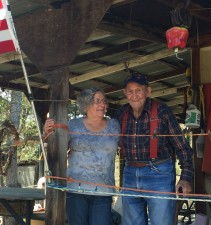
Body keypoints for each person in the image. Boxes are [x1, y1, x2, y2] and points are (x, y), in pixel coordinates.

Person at [114, 73, 193, 225]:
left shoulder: (162, 112)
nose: (134, 95)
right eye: (130, 91)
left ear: (148, 91)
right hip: (130, 174)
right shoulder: (120, 114)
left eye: (139, 90)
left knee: (162, 222)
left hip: (159, 174)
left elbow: (183, 148)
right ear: (125, 93)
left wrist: (185, 178)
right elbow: (105, 137)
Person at [43, 88, 120, 225]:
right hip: (76, 191)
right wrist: (47, 134)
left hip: (103, 192)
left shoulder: (114, 126)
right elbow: (55, 149)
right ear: (86, 104)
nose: (103, 105)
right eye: (97, 101)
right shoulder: (73, 125)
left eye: (104, 101)